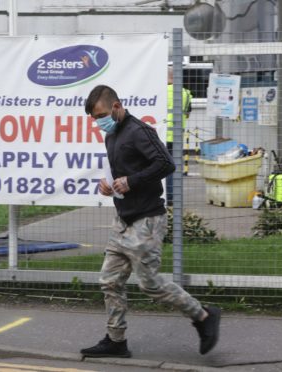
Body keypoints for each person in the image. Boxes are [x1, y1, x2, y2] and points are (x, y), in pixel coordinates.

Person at [80, 85, 220, 359]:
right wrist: (107, 185)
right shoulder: (112, 136)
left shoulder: (139, 131)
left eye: (102, 115)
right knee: (109, 281)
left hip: (147, 219)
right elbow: (120, 172)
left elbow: (166, 164)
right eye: (95, 118)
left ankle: (203, 316)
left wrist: (132, 182)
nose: (99, 122)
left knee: (150, 284)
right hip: (123, 219)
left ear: (117, 106)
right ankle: (116, 340)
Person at [166, 66, 192, 205]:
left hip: (161, 136)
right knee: (172, 167)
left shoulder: (161, 92)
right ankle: (171, 197)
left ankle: (160, 195)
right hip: (176, 137)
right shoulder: (186, 94)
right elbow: (187, 113)